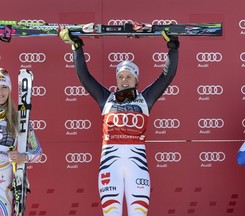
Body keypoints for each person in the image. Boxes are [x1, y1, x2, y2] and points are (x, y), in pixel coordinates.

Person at [59, 28, 179, 216]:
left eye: (129, 76)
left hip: (137, 166)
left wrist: (172, 47)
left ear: (136, 80)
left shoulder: (146, 98)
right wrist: (77, 48)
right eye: (120, 76)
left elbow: (167, 76)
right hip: (110, 165)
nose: (124, 80)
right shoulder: (105, 98)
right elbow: (85, 77)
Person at [0, 68, 43, 216]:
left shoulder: (20, 119)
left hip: (4, 184)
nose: (0, 92)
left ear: (10, 89)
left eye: (4, 87)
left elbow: (38, 153)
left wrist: (23, 157)